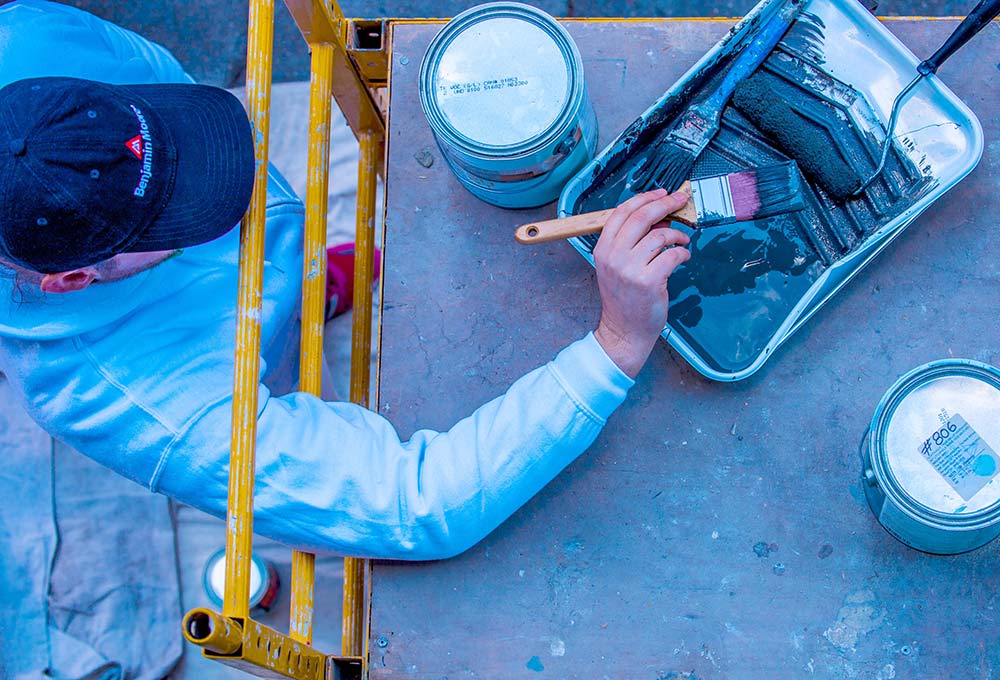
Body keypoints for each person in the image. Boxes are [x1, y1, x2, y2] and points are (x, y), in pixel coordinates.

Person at [0, 0, 691, 561]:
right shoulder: (136, 399)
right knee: (303, 458)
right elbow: (417, 506)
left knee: (286, 275)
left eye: (180, 141)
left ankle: (316, 285)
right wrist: (618, 343)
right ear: (72, 279)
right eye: (176, 221)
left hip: (266, 277)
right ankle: (298, 314)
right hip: (238, 364)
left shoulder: (27, 41)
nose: (224, 180)